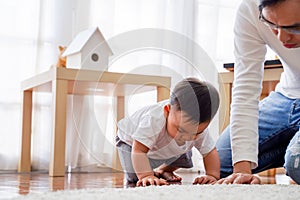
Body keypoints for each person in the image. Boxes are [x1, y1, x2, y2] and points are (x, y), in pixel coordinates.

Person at [216, 0, 300, 184]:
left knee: (297, 164)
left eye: (294, 28)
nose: (282, 38)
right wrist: (241, 169)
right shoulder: (250, 9)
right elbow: (245, 88)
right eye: (272, 25)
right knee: (219, 164)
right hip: (286, 98)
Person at [116, 77, 220, 186]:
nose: (187, 137)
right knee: (135, 176)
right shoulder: (153, 119)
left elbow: (210, 152)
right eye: (181, 130)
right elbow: (139, 150)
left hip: (163, 145)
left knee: (185, 155)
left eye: (196, 133)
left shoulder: (198, 129)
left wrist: (212, 175)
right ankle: (150, 173)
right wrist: (146, 175)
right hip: (130, 142)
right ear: (167, 111)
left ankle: (164, 170)